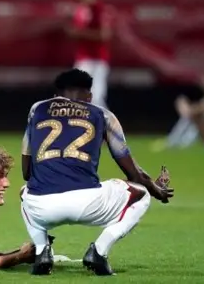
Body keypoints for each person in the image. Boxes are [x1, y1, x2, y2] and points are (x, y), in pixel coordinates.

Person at [20, 68, 173, 276]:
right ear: (90, 96)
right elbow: (134, 174)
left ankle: (41, 251)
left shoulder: (37, 109)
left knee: (24, 191)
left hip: (42, 207)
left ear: (56, 95)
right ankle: (99, 252)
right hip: (88, 202)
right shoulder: (102, 114)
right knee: (141, 194)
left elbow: (26, 171)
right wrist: (157, 190)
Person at [66, 0, 113, 109]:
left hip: (98, 59)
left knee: (96, 97)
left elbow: (105, 35)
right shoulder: (80, 9)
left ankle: (106, 126)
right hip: (83, 58)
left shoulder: (99, 9)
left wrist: (80, 33)